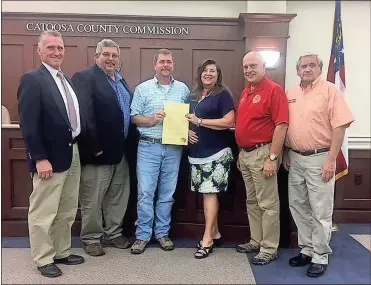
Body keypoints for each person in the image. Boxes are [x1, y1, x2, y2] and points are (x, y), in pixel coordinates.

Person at [17, 30, 84, 278]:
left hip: (72, 151)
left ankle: (61, 251)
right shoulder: (32, 79)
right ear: (40, 50)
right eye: (51, 48)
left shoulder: (64, 79)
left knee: (66, 208)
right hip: (49, 157)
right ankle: (43, 257)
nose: (56, 52)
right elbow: (29, 123)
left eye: (60, 48)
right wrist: (40, 157)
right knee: (44, 210)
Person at [283, 53, 354, 277]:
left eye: (312, 65)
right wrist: (286, 151)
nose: (307, 69)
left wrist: (331, 160)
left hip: (320, 158)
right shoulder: (291, 93)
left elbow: (340, 127)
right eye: (303, 66)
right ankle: (306, 249)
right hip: (294, 158)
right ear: (297, 70)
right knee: (299, 206)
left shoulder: (330, 91)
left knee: (320, 210)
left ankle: (320, 255)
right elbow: (285, 125)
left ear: (320, 68)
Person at [71, 39, 133, 256]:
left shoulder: (121, 81)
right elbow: (84, 114)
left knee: (117, 195)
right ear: (96, 56)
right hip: (98, 151)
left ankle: (113, 233)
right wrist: (93, 145)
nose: (110, 59)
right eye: (106, 54)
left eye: (114, 55)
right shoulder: (85, 77)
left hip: (120, 150)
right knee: (93, 197)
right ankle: (91, 238)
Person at [130, 48, 190, 254]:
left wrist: (187, 130)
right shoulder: (142, 89)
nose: (166, 65)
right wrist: (152, 119)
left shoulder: (182, 89)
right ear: (155, 65)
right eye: (162, 61)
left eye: (169, 62)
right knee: (145, 192)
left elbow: (187, 117)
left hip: (173, 148)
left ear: (173, 65)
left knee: (167, 193)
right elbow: (134, 117)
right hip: (148, 145)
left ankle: (162, 233)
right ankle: (142, 235)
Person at [234, 51, 289, 265]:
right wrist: (241, 152)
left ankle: (269, 247)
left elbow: (281, 125)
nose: (249, 70)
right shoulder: (245, 92)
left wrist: (272, 157)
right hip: (246, 155)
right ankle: (256, 240)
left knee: (268, 204)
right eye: (246, 67)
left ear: (264, 66)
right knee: (252, 201)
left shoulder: (274, 90)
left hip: (264, 154)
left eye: (253, 66)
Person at [185, 59, 235, 259]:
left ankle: (207, 239)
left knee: (209, 193)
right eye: (205, 70)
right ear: (200, 73)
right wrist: (187, 131)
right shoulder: (193, 95)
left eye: (212, 71)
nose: (208, 74)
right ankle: (215, 232)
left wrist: (200, 122)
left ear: (218, 74)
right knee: (206, 193)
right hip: (196, 153)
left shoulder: (222, 94)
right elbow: (185, 119)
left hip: (217, 152)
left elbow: (228, 121)